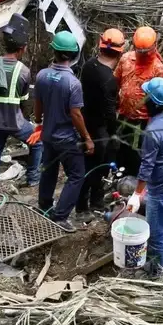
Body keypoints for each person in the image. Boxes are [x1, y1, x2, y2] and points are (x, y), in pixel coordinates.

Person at [124, 77, 163, 277]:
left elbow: (147, 166)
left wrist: (137, 194)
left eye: (146, 97)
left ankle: (156, 275)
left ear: (153, 102)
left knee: (156, 233)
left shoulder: (153, 131)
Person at [34, 31, 95, 230]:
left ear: (55, 51)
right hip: (67, 138)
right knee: (77, 175)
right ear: (73, 54)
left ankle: (44, 205)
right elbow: (76, 115)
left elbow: (38, 103)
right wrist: (87, 138)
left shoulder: (42, 75)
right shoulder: (73, 83)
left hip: (48, 135)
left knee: (49, 170)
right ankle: (60, 216)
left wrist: (38, 120)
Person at [0, 17, 42, 186]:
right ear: (22, 49)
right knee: (38, 143)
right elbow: (22, 101)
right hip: (14, 121)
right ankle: (33, 178)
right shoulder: (23, 71)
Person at [77, 29, 124, 215]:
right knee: (99, 167)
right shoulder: (109, 79)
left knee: (87, 166)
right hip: (100, 129)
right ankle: (88, 205)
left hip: (86, 122)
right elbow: (110, 111)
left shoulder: (88, 66)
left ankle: (86, 203)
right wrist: (114, 133)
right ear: (120, 52)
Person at [114, 27, 163, 176]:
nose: (144, 54)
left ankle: (134, 180)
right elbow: (116, 81)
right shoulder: (126, 59)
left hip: (144, 119)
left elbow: (160, 99)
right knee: (120, 146)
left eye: (147, 51)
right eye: (141, 51)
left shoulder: (158, 69)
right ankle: (117, 174)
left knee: (138, 151)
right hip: (124, 113)